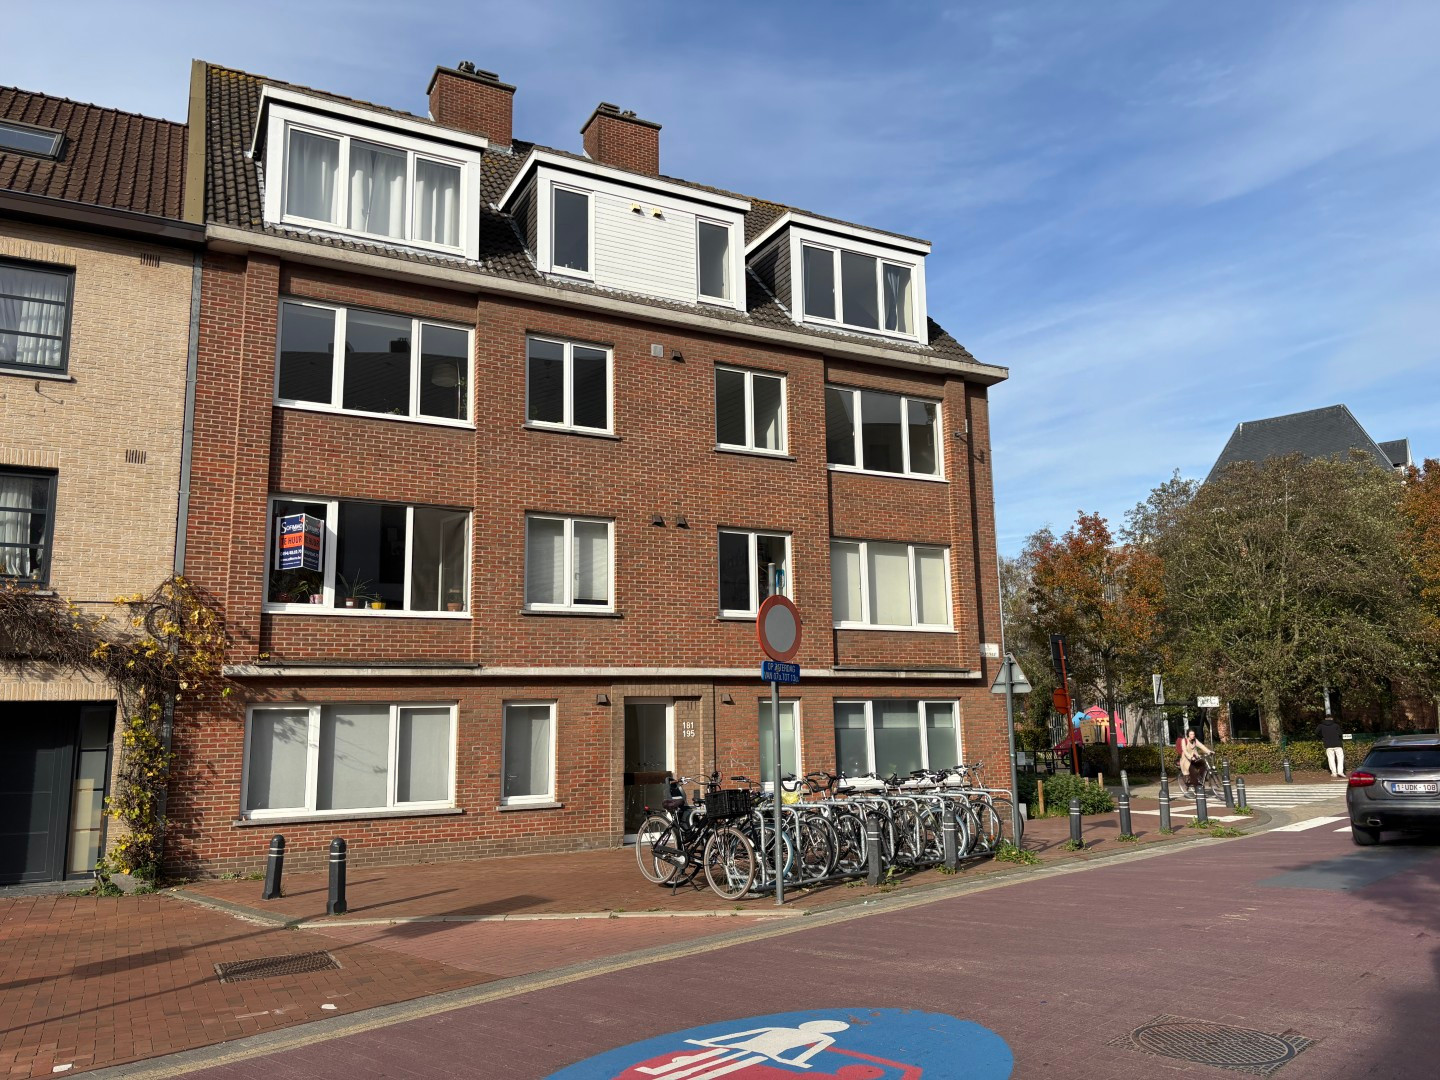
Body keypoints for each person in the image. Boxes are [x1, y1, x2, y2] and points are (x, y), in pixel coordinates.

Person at [1178, 728, 1211, 795]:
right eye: (1191, 734)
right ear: (1188, 735)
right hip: (1186, 760)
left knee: (1203, 764)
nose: (1192, 735)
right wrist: (1190, 757)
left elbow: (1201, 746)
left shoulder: (1195, 740)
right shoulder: (1184, 741)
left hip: (1194, 759)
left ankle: (1200, 779)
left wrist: (1209, 751)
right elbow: (1185, 751)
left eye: (1193, 734)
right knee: (1193, 772)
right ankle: (1197, 790)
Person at [1318, 714, 1346, 779]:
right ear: (1332, 718)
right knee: (1340, 758)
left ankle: (1334, 773)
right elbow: (1340, 734)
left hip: (1328, 745)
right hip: (1338, 744)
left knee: (1331, 759)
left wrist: (1323, 737)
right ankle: (1340, 772)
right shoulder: (1336, 725)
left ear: (1325, 719)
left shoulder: (1321, 726)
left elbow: (1316, 732)